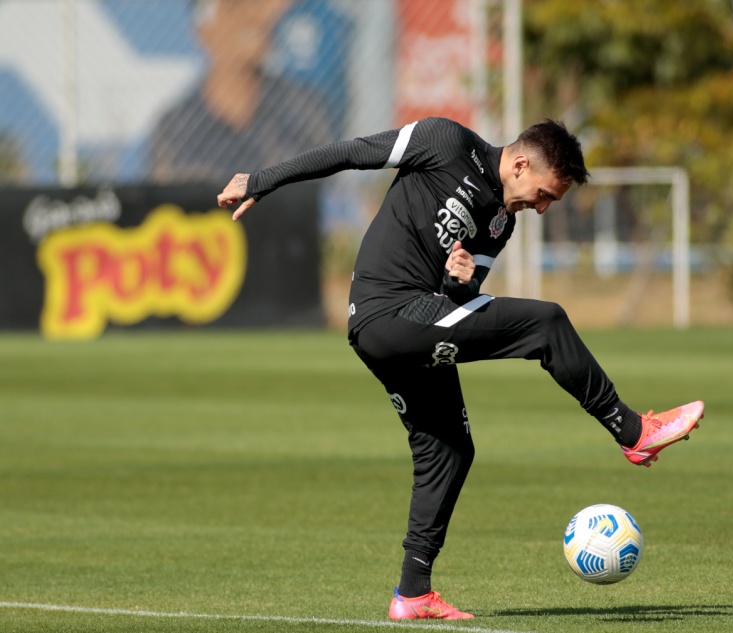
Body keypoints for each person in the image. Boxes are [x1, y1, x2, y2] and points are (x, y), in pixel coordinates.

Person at [216, 117, 704, 621]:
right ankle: (631, 430)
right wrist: (261, 180)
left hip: (417, 322)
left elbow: (461, 305)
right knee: (547, 323)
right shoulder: (444, 142)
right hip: (387, 315)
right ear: (519, 164)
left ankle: (413, 594)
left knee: (448, 448)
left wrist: (463, 282)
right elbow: (353, 151)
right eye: (543, 194)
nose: (541, 207)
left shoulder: (501, 221)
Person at [149, 0, 333, 182]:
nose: (254, 19)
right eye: (234, 7)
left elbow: (331, 195)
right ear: (203, 30)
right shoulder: (177, 127)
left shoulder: (303, 109)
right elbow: (164, 203)